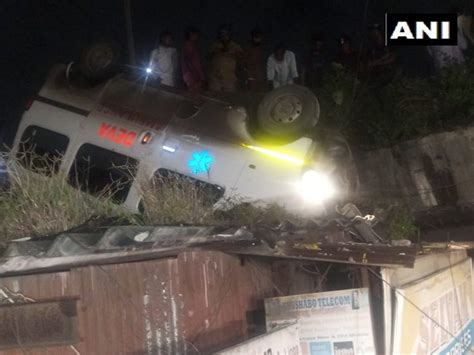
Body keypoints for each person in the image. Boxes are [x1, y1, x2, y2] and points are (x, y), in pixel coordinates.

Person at [209, 25, 243, 92]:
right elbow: (208, 58)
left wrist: (233, 54)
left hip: (229, 79)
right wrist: (216, 51)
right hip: (215, 79)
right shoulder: (215, 46)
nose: (224, 36)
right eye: (222, 33)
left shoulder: (236, 46)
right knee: (215, 100)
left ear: (230, 35)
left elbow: (241, 59)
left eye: (226, 33)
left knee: (229, 99)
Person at [181, 26, 205, 93]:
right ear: (191, 34)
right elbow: (188, 61)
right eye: (196, 34)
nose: (197, 36)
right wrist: (196, 74)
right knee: (193, 95)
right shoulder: (189, 45)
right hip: (192, 75)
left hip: (192, 74)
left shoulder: (192, 45)